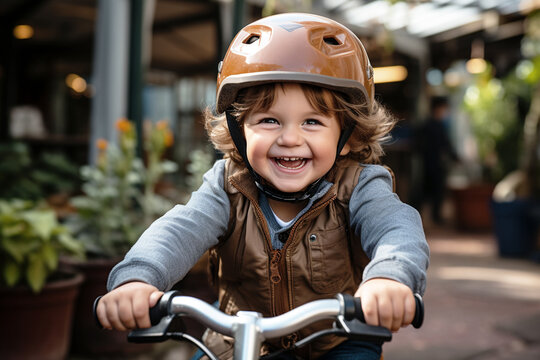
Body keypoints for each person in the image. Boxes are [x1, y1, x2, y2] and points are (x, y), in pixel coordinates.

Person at [96, 13, 429, 359]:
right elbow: (179, 229)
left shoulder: (359, 186)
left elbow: (396, 227)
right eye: (269, 120)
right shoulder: (226, 186)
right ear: (239, 131)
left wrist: (388, 278)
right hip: (236, 339)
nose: (289, 138)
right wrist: (138, 279)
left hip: (336, 339)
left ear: (348, 136)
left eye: (312, 122)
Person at [412, 96, 458, 224]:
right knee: (433, 191)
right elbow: (445, 144)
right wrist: (454, 156)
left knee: (427, 191)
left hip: (429, 163)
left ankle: (421, 217)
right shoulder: (434, 125)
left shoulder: (427, 124)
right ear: (438, 108)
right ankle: (433, 218)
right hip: (433, 163)